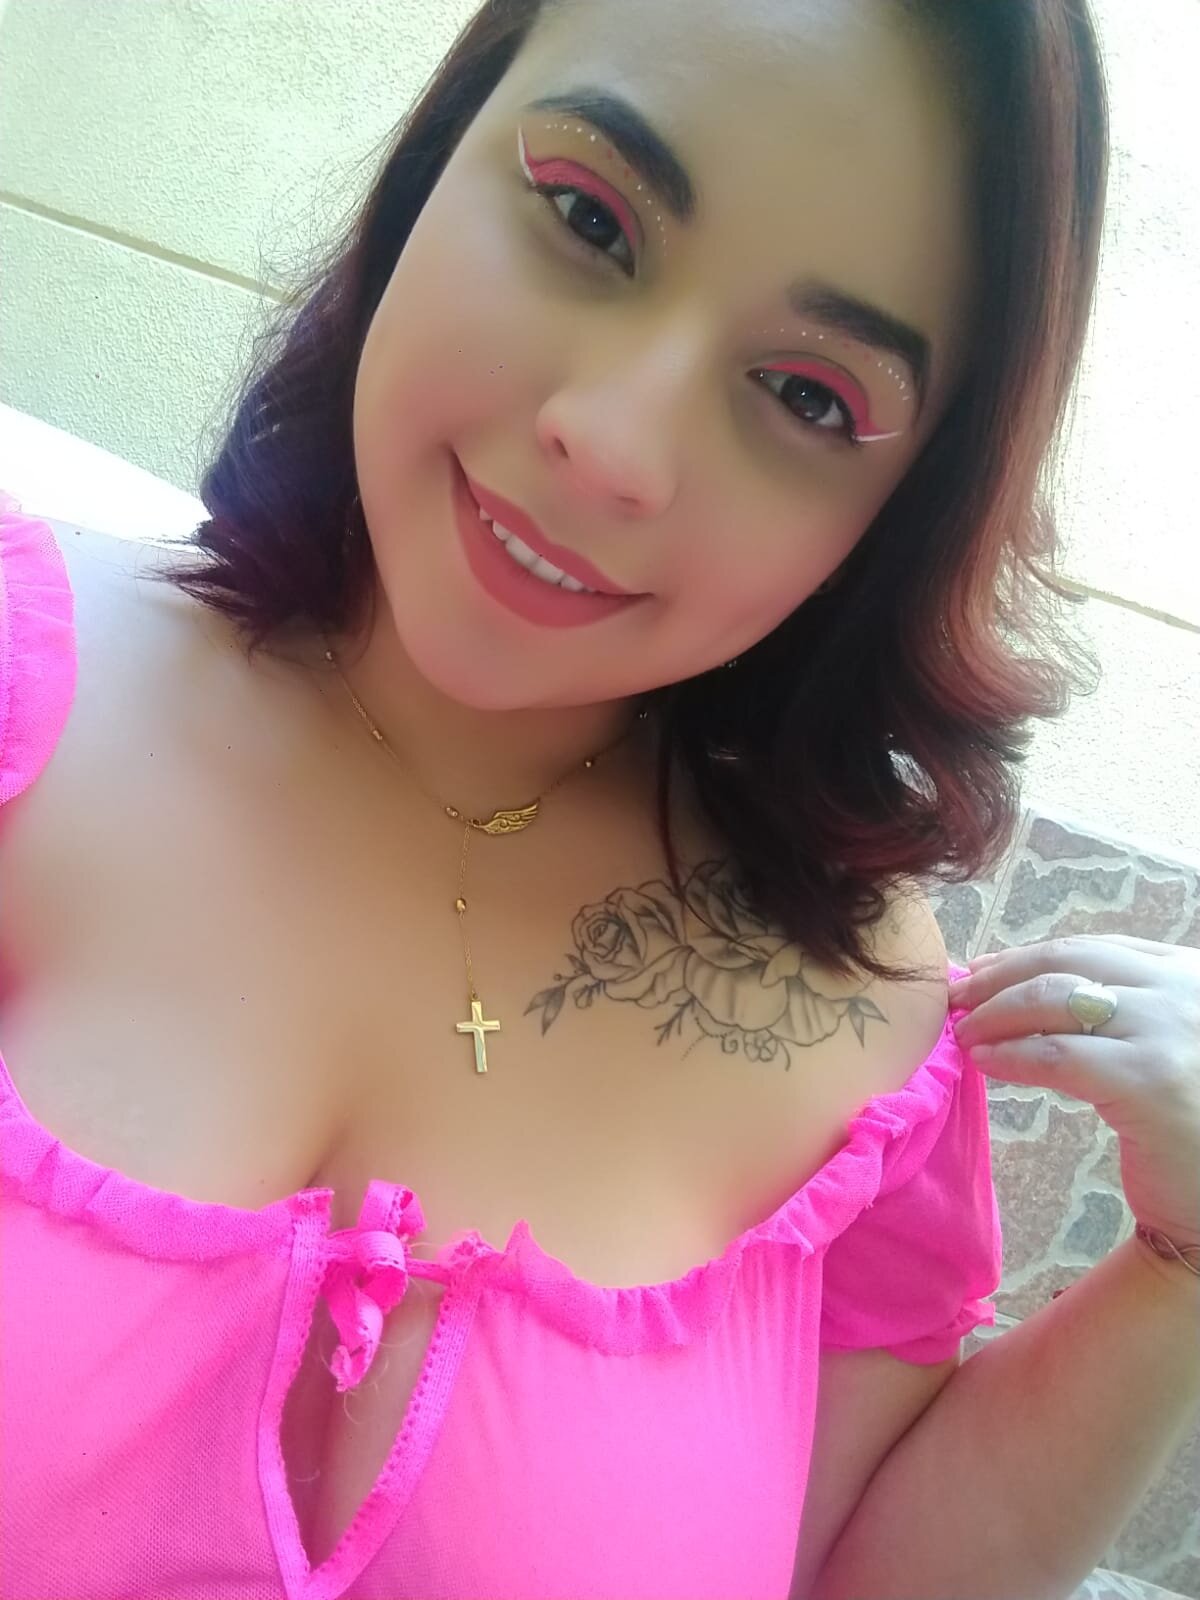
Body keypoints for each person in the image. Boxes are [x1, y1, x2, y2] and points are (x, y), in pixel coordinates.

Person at [0, 1, 1111, 1595]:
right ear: (441, 151)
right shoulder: (29, 688)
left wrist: (1177, 1268)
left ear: (899, 508)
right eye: (590, 219)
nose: (612, 445)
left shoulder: (859, 1025)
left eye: (808, 395)